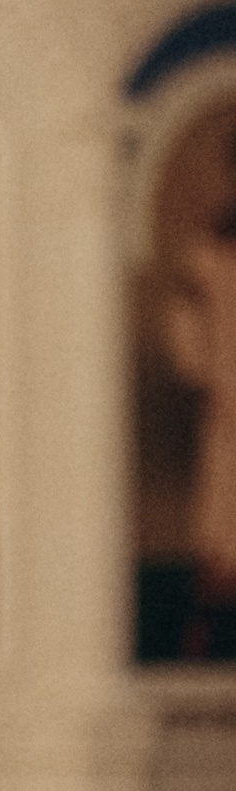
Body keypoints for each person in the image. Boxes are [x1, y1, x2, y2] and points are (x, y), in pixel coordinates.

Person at [164, 129, 236, 659]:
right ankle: (203, 651)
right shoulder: (213, 242)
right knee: (221, 528)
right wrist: (207, 373)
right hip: (228, 405)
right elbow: (184, 315)